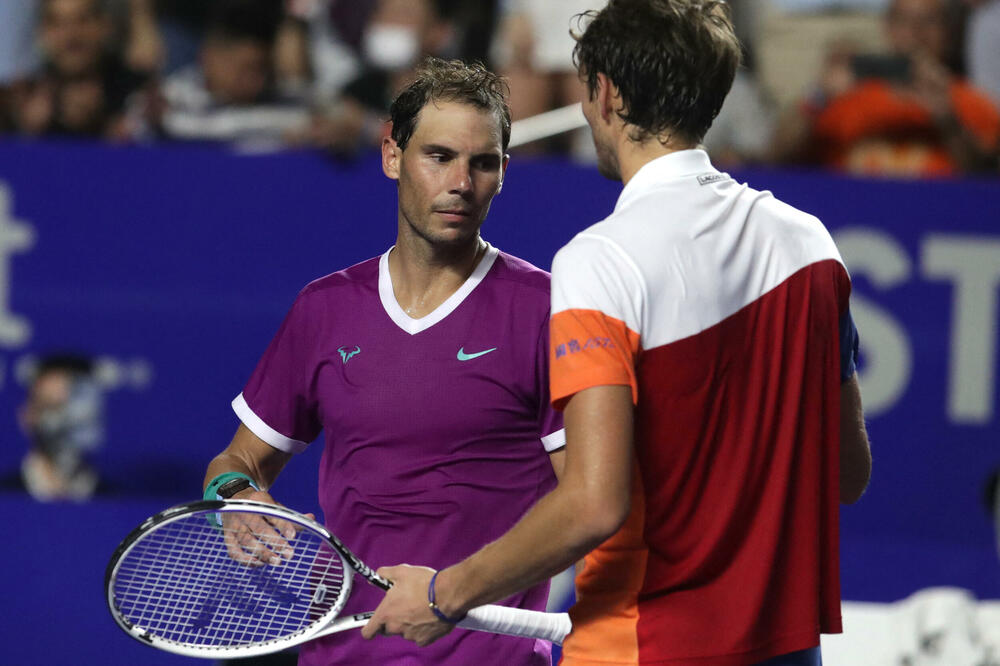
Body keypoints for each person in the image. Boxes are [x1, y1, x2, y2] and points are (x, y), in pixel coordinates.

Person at [364, 2, 873, 666]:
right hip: (786, 650)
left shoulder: (602, 261)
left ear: (605, 94)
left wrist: (444, 593)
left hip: (642, 646)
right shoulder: (810, 245)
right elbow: (848, 474)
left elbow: (593, 504)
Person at [202, 56, 565, 665]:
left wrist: (452, 594)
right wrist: (234, 496)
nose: (461, 182)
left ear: (503, 172)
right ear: (392, 155)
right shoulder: (324, 308)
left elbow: (585, 503)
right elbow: (237, 461)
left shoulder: (547, 310)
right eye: (439, 156)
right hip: (339, 655)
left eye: (483, 163)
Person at [771, 0, 1000, 177]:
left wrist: (949, 120)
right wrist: (819, 96)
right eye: (903, 21)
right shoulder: (843, 97)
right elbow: (775, 159)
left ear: (949, 33)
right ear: (888, 27)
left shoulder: (970, 103)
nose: (915, 33)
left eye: (929, 21)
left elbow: (986, 184)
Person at [19, 354, 104, 501]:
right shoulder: (7, 492)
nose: (68, 422)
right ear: (28, 416)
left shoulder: (115, 499)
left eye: (80, 413)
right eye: (53, 408)